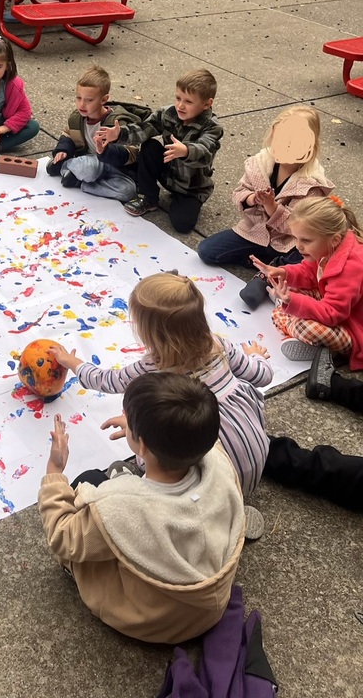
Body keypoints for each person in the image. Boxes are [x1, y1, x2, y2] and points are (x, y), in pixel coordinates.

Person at [38, 373, 245, 644]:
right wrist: (143, 432)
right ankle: (134, 475)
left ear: (142, 444)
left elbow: (62, 537)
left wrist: (54, 472)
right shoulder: (219, 465)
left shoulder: (120, 507)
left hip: (155, 621)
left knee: (89, 481)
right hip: (206, 607)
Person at [49, 272, 273, 498]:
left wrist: (72, 362)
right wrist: (257, 356)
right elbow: (262, 376)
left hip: (207, 489)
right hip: (255, 461)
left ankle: (133, 477)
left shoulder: (154, 366)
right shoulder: (217, 344)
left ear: (149, 333)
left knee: (154, 437)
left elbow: (106, 380)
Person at [198, 105, 333, 309]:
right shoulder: (260, 164)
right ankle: (266, 263)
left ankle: (266, 275)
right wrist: (251, 199)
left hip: (290, 242)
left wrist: (272, 207)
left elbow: (300, 227)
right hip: (255, 232)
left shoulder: (312, 184)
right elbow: (238, 194)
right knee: (207, 251)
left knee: (309, 260)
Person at [253, 195, 363, 387]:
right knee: (290, 288)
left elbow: (332, 314)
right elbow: (309, 272)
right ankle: (287, 312)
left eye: (305, 240)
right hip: (335, 307)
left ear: (334, 239)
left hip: (354, 329)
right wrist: (283, 272)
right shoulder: (331, 247)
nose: (298, 245)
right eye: (295, 237)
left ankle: (325, 349)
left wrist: (291, 302)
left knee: (306, 327)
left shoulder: (351, 267)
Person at [97, 69, 222, 233]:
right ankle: (147, 196)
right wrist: (119, 134)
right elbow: (144, 129)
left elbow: (205, 152)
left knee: (182, 225)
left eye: (188, 102)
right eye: (178, 98)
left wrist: (185, 151)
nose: (180, 105)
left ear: (207, 104)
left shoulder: (212, 127)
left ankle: (183, 200)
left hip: (191, 187)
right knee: (149, 146)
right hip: (168, 173)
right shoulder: (168, 113)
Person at [45, 64, 149, 200]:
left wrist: (106, 151)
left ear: (104, 99)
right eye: (78, 98)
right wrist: (62, 150)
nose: (82, 104)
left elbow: (132, 154)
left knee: (127, 192)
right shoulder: (77, 118)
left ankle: (79, 183)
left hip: (116, 168)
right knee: (90, 169)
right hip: (90, 164)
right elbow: (68, 135)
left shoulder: (117, 122)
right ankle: (63, 166)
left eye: (89, 100)